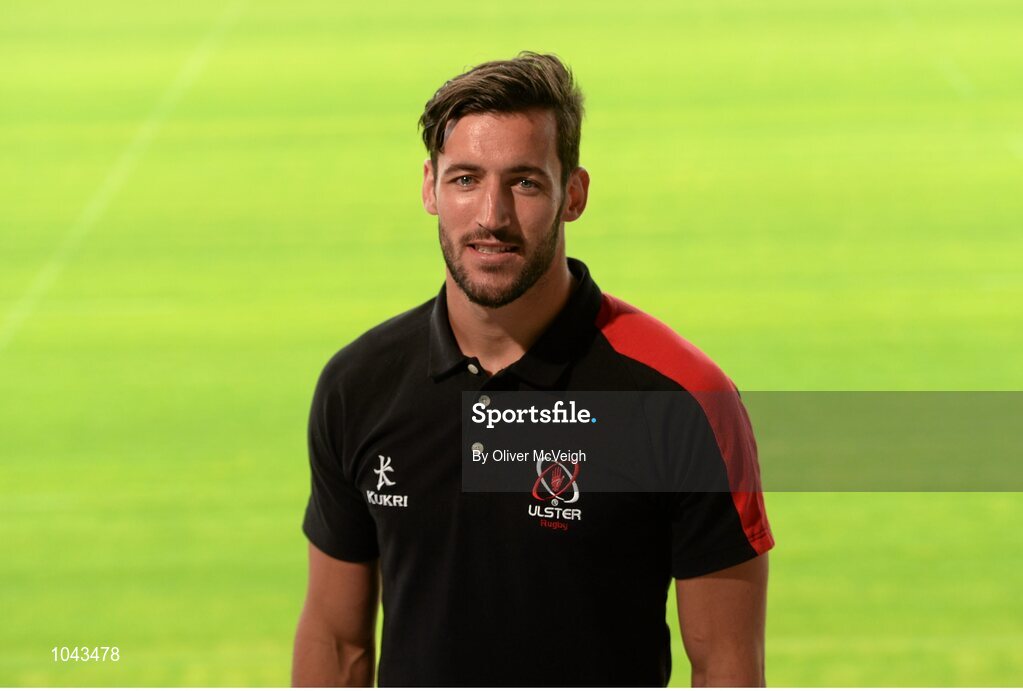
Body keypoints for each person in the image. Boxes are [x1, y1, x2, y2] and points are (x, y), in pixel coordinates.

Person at [292, 52, 774, 687]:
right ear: (430, 187)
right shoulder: (358, 387)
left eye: (524, 182)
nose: (491, 216)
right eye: (466, 179)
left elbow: (727, 668)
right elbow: (336, 640)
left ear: (573, 194)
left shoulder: (684, 399)